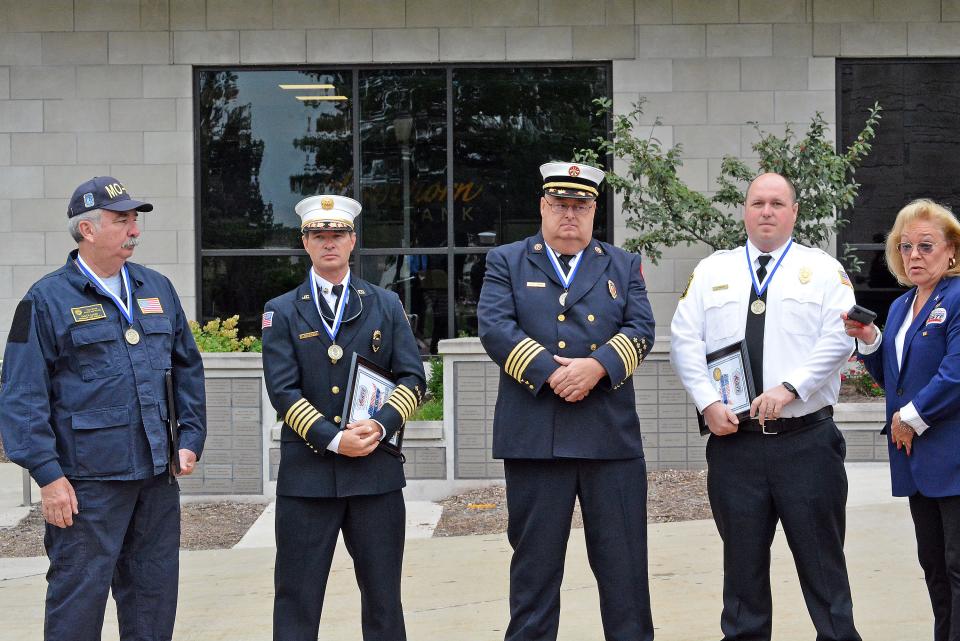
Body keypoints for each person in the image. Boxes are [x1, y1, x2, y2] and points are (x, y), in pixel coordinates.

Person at [0, 176, 206, 641]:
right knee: (78, 600)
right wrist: (49, 477)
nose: (134, 229)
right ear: (87, 230)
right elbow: (21, 396)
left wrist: (190, 437)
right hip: (86, 484)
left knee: (153, 599)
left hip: (156, 477)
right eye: (121, 220)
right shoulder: (45, 300)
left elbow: (187, 366)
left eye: (135, 220)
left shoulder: (157, 288)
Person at [670, 172, 861, 641]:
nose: (767, 211)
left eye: (778, 203)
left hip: (806, 443)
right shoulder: (714, 270)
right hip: (737, 447)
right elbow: (683, 339)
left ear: (794, 212)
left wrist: (790, 388)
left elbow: (839, 339)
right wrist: (708, 402)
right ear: (745, 211)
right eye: (758, 202)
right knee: (742, 572)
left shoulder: (822, 270)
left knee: (823, 568)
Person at [478, 162, 656, 641]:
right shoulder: (507, 261)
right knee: (534, 573)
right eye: (560, 206)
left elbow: (642, 329)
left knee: (625, 573)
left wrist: (595, 368)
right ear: (543, 207)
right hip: (536, 438)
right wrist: (552, 373)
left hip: (609, 440)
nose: (569, 215)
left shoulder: (622, 263)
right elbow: (495, 328)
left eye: (580, 206)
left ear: (594, 210)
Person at [262, 194, 425, 641]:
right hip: (308, 477)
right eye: (319, 234)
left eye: (337, 234)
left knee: (384, 600)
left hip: (375, 475)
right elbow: (283, 391)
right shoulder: (281, 310)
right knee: (296, 599)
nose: (328, 242)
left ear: (353, 241)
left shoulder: (385, 304)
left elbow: (414, 378)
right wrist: (333, 439)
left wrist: (381, 424)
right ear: (305, 242)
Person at [845, 199, 960, 641]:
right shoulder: (899, 307)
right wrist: (871, 341)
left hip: (952, 454)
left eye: (926, 246)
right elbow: (892, 380)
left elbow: (955, 371)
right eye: (906, 246)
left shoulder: (957, 297)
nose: (914, 255)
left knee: (958, 566)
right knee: (934, 567)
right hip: (917, 461)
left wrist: (911, 417)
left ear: (951, 250)